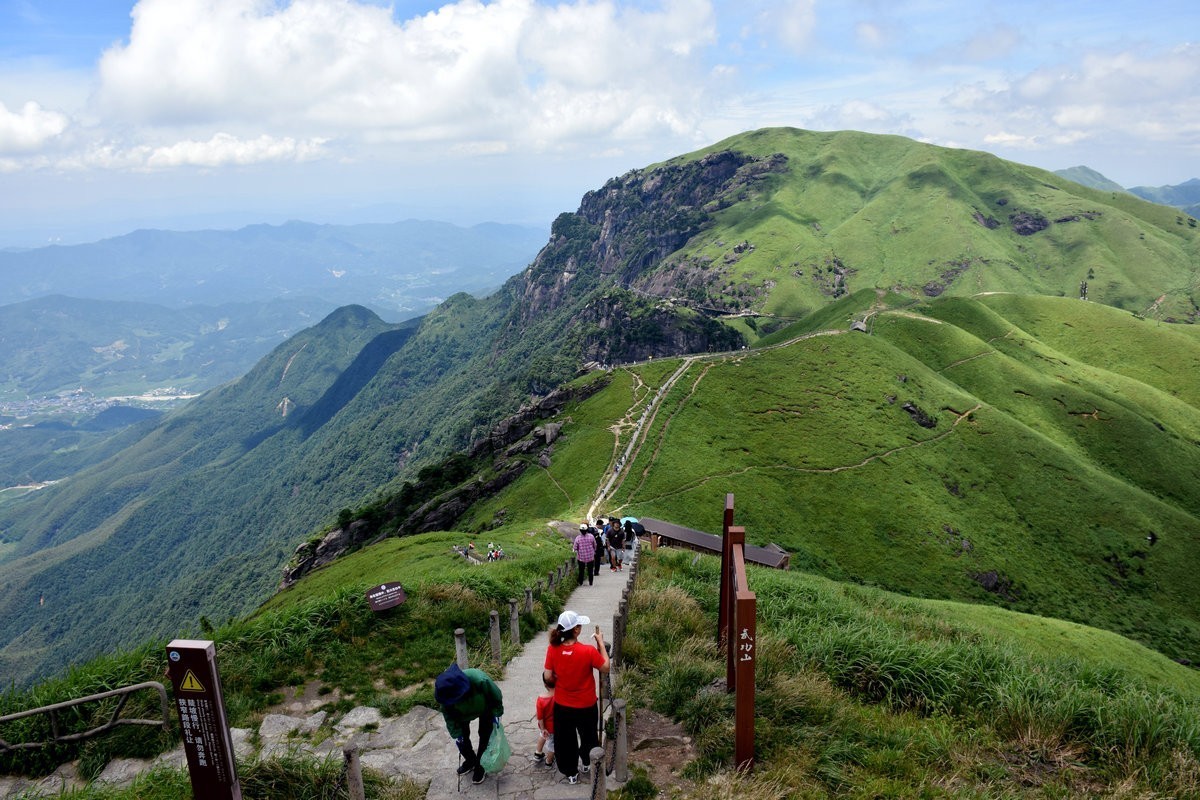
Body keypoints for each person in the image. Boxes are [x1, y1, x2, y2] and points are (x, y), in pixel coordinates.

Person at [543, 610, 610, 785]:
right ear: (576, 630)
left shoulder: (553, 649)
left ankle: (571, 772)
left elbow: (548, 676)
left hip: (562, 704)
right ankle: (588, 763)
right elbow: (605, 667)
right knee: (588, 735)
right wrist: (601, 643)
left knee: (565, 739)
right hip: (586, 703)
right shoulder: (587, 651)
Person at [434, 663, 504, 785]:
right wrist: (457, 734)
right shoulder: (444, 693)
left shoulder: (479, 678)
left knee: (484, 734)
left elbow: (495, 694)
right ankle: (471, 761)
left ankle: (481, 765)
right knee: (463, 740)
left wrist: (497, 713)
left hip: (485, 708)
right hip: (461, 715)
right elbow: (449, 717)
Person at [532, 672, 556, 768]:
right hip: (554, 728)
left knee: (542, 735)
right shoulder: (559, 696)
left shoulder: (541, 699)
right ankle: (549, 761)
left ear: (545, 684)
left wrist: (542, 728)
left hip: (544, 726)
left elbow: (539, 717)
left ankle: (538, 753)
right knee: (552, 745)